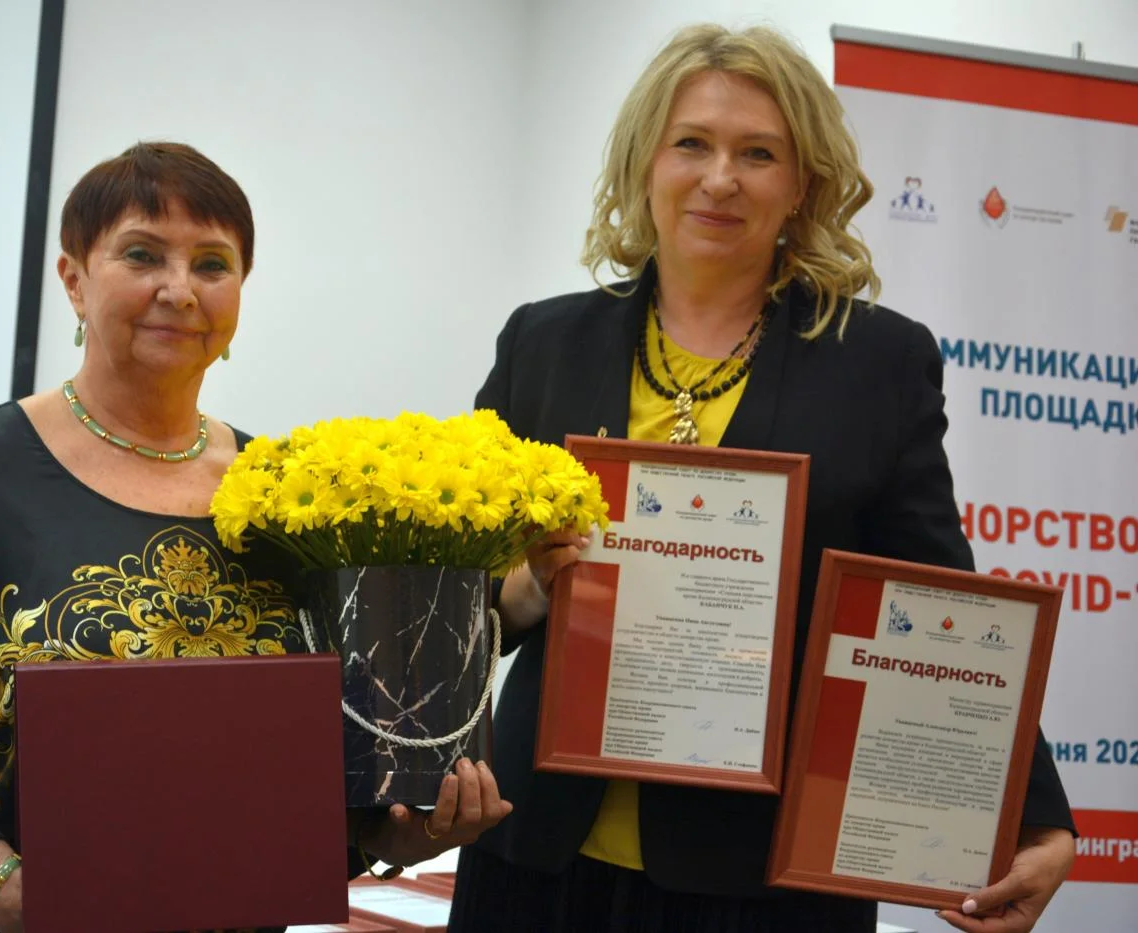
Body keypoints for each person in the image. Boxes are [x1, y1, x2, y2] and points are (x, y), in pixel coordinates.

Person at [448, 23, 1075, 933]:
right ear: (644, 162)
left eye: (758, 153)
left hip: (763, 873)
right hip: (536, 850)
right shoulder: (543, 343)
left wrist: (1035, 816)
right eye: (691, 143)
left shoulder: (879, 362)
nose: (720, 178)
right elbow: (458, 597)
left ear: (802, 184)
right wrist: (536, 582)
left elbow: (941, 602)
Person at [0, 141, 510, 933]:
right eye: (142, 254)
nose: (179, 290)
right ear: (73, 279)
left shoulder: (286, 495)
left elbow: (312, 751)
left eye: (212, 264)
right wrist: (4, 888)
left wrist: (395, 830)